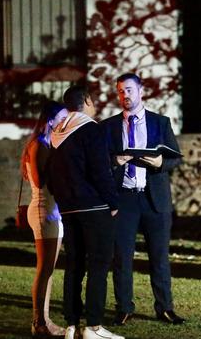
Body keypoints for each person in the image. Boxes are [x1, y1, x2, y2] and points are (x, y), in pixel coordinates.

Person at [101, 73, 185, 326]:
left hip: (154, 200)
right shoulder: (108, 126)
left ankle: (165, 307)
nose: (125, 95)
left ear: (140, 91)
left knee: (159, 257)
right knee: (122, 257)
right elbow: (99, 162)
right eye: (120, 91)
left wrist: (160, 162)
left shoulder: (160, 122)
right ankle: (124, 308)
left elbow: (176, 158)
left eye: (129, 90)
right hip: (124, 198)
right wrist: (114, 161)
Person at [45, 85, 124, 339]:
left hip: (68, 209)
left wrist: (64, 199)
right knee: (99, 265)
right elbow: (100, 171)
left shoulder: (56, 133)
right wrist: (113, 203)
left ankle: (71, 325)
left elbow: (51, 177)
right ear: (87, 101)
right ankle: (93, 326)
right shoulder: (92, 129)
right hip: (95, 207)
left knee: (74, 265)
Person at [20, 100, 69, 338]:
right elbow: (40, 181)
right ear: (50, 120)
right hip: (44, 210)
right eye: (62, 117)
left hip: (52, 210)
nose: (65, 122)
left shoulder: (48, 143)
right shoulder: (39, 145)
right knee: (44, 269)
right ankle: (39, 322)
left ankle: (45, 320)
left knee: (49, 269)